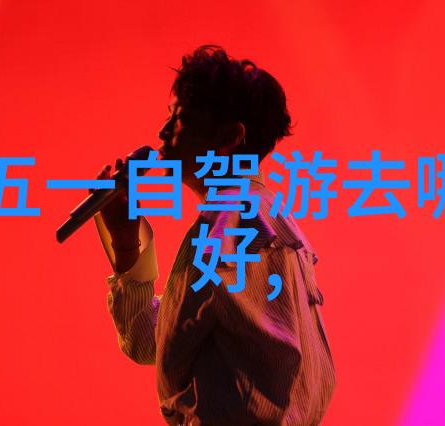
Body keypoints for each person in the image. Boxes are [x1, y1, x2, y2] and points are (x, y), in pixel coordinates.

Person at [93, 45, 335, 425]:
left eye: (182, 118)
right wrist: (126, 242)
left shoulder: (234, 225)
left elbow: (156, 345)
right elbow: (153, 340)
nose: (163, 131)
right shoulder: (259, 220)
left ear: (230, 137)